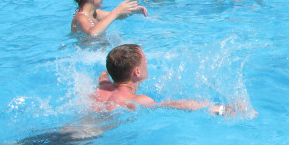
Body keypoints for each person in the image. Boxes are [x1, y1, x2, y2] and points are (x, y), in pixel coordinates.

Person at [92, 44, 253, 116]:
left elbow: (104, 75)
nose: (147, 61)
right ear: (137, 72)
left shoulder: (103, 87)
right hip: (89, 142)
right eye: (144, 60)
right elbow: (172, 105)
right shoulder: (136, 100)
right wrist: (223, 109)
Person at [68, 0, 147, 36]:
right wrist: (117, 11)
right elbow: (92, 33)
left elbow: (118, 16)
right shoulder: (80, 17)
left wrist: (133, 11)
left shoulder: (95, 14)